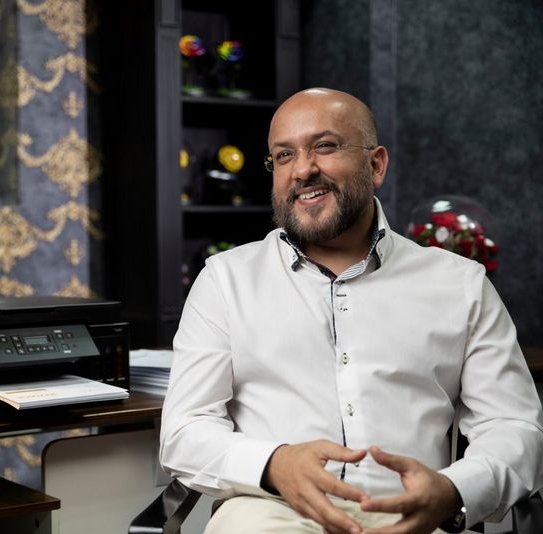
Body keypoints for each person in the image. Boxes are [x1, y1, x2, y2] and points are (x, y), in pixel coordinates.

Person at [159, 87, 543, 534]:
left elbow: (514, 428)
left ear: (376, 164)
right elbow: (184, 432)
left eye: (325, 146)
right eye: (284, 156)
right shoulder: (225, 281)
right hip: (271, 512)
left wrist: (453, 490)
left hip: (410, 517)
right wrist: (275, 463)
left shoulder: (462, 284)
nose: (303, 169)